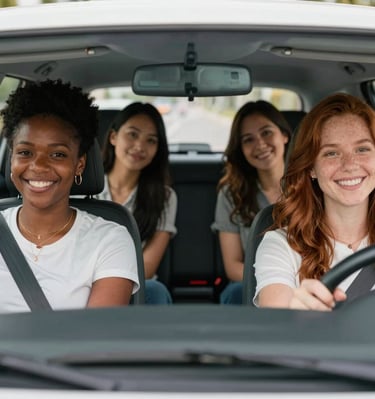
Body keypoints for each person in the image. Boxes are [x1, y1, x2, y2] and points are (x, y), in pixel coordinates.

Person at [0, 79, 139, 313]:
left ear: (80, 165)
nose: (38, 166)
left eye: (57, 154)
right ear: (11, 158)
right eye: (25, 152)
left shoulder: (109, 239)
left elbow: (94, 340)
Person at [254, 93, 375, 311]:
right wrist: (293, 311)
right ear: (311, 168)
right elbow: (274, 321)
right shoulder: (281, 244)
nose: (350, 165)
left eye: (362, 149)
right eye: (331, 153)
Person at [212, 100, 291, 304]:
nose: (260, 144)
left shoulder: (313, 185)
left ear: (284, 135)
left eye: (266, 133)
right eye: (248, 139)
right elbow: (232, 266)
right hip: (252, 282)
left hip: (307, 279)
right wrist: (278, 283)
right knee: (236, 293)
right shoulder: (231, 194)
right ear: (241, 149)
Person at [97, 102, 177, 304]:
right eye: (132, 134)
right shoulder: (81, 188)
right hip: (82, 280)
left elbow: (147, 268)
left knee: (154, 290)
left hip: (137, 286)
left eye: (151, 140)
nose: (140, 146)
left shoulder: (165, 197)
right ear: (114, 137)